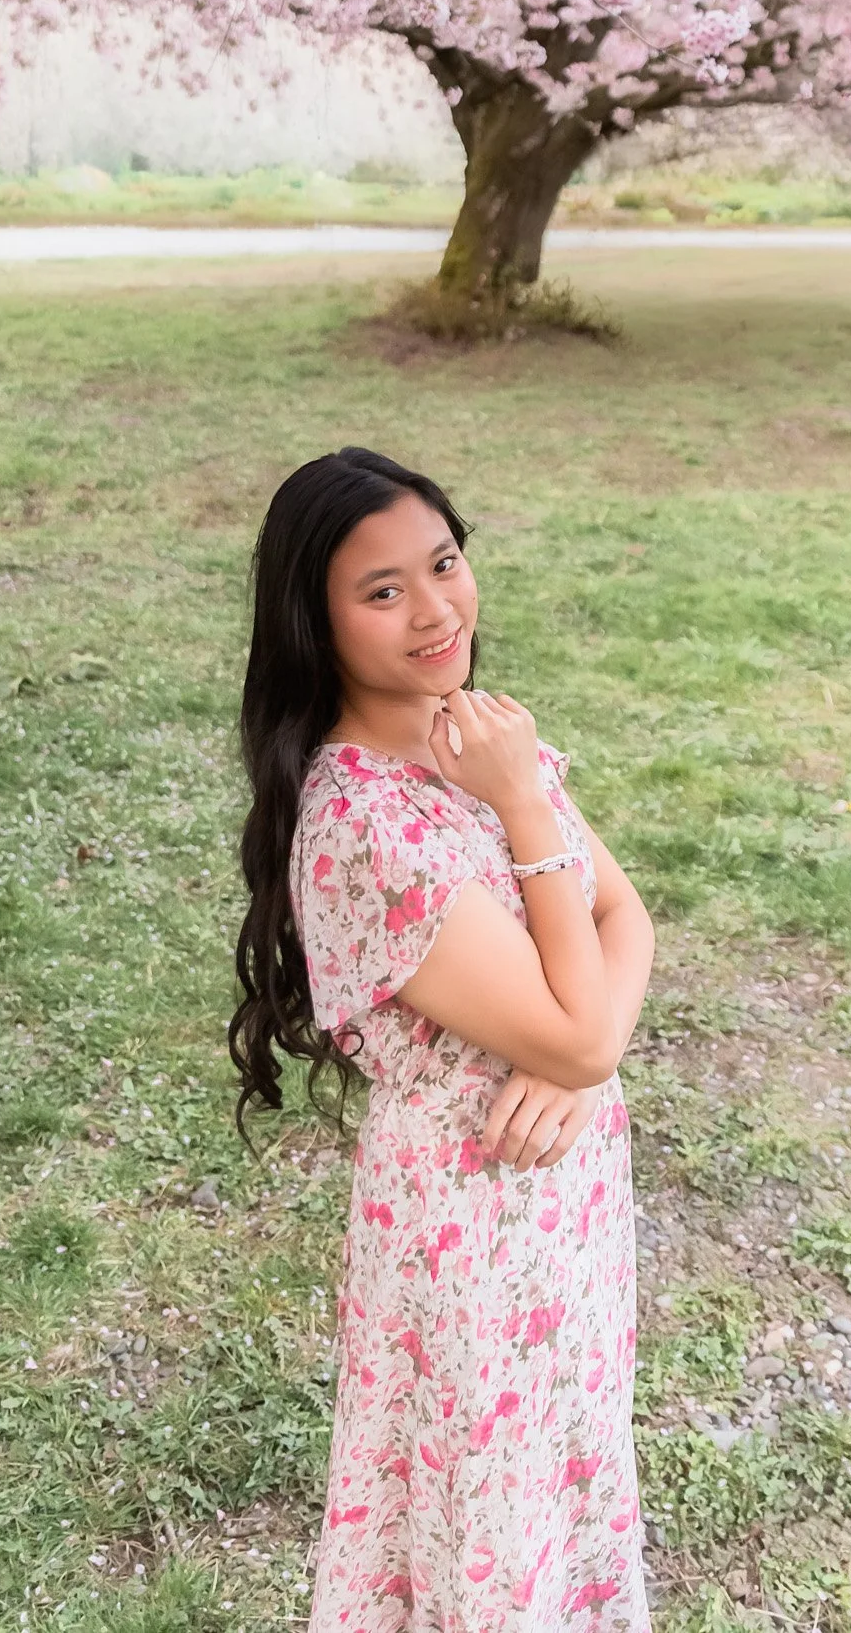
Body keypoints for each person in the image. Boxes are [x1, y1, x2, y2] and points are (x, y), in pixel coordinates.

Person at [230, 445, 657, 1632]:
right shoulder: (366, 821)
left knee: (564, 1488)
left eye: (444, 563)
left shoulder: (473, 734)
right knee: (481, 1533)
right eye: (382, 591)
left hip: (561, 1190)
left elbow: (625, 920)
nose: (434, 609)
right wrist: (524, 812)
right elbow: (574, 1020)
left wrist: (586, 1063)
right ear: (314, 625)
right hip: (469, 1223)